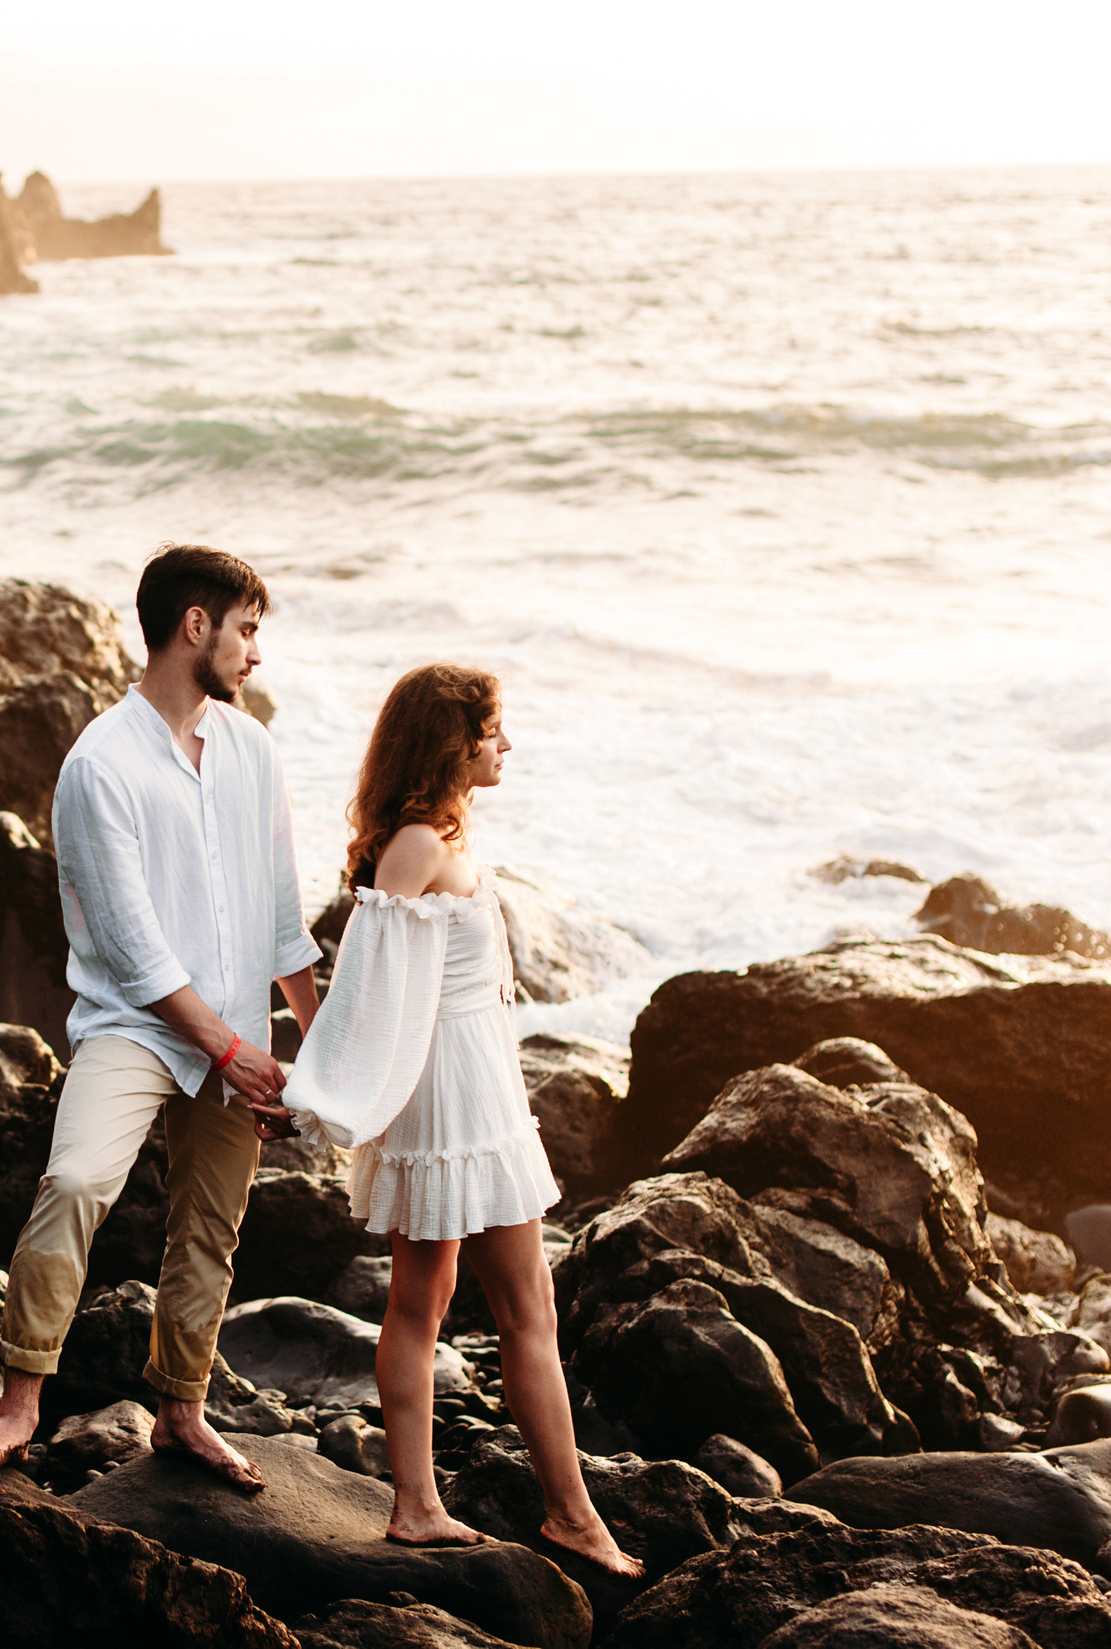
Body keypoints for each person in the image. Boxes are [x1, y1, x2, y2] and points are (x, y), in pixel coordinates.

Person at [0, 544, 322, 1489]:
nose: (255, 654)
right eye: (247, 630)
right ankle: (19, 1405)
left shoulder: (252, 748)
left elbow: (282, 915)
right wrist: (231, 1049)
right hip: (136, 1026)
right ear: (194, 626)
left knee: (210, 1224)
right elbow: (132, 949)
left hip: (237, 1028)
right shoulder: (97, 765)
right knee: (74, 1181)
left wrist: (316, 1046)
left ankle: (181, 1414)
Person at [277, 663, 642, 1573]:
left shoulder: (440, 839)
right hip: (450, 1097)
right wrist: (315, 1097)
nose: (506, 744)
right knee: (518, 1308)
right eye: (494, 730)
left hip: (469, 1084)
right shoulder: (417, 849)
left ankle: (423, 1506)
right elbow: (365, 988)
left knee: (433, 1299)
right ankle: (564, 1516)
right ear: (455, 741)